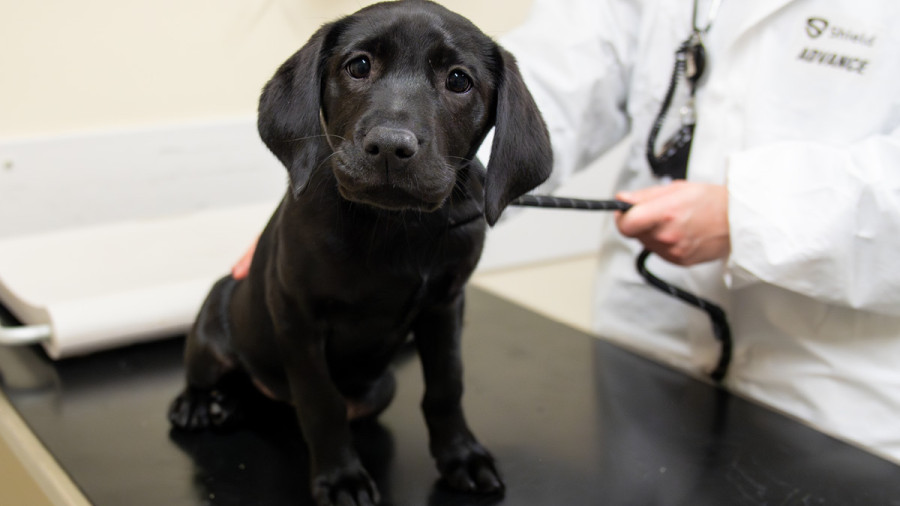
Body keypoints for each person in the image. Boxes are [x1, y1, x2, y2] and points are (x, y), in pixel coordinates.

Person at [234, 0, 900, 463]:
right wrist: (324, 225)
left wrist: (758, 212)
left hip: (837, 392)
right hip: (649, 349)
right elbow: (556, 77)